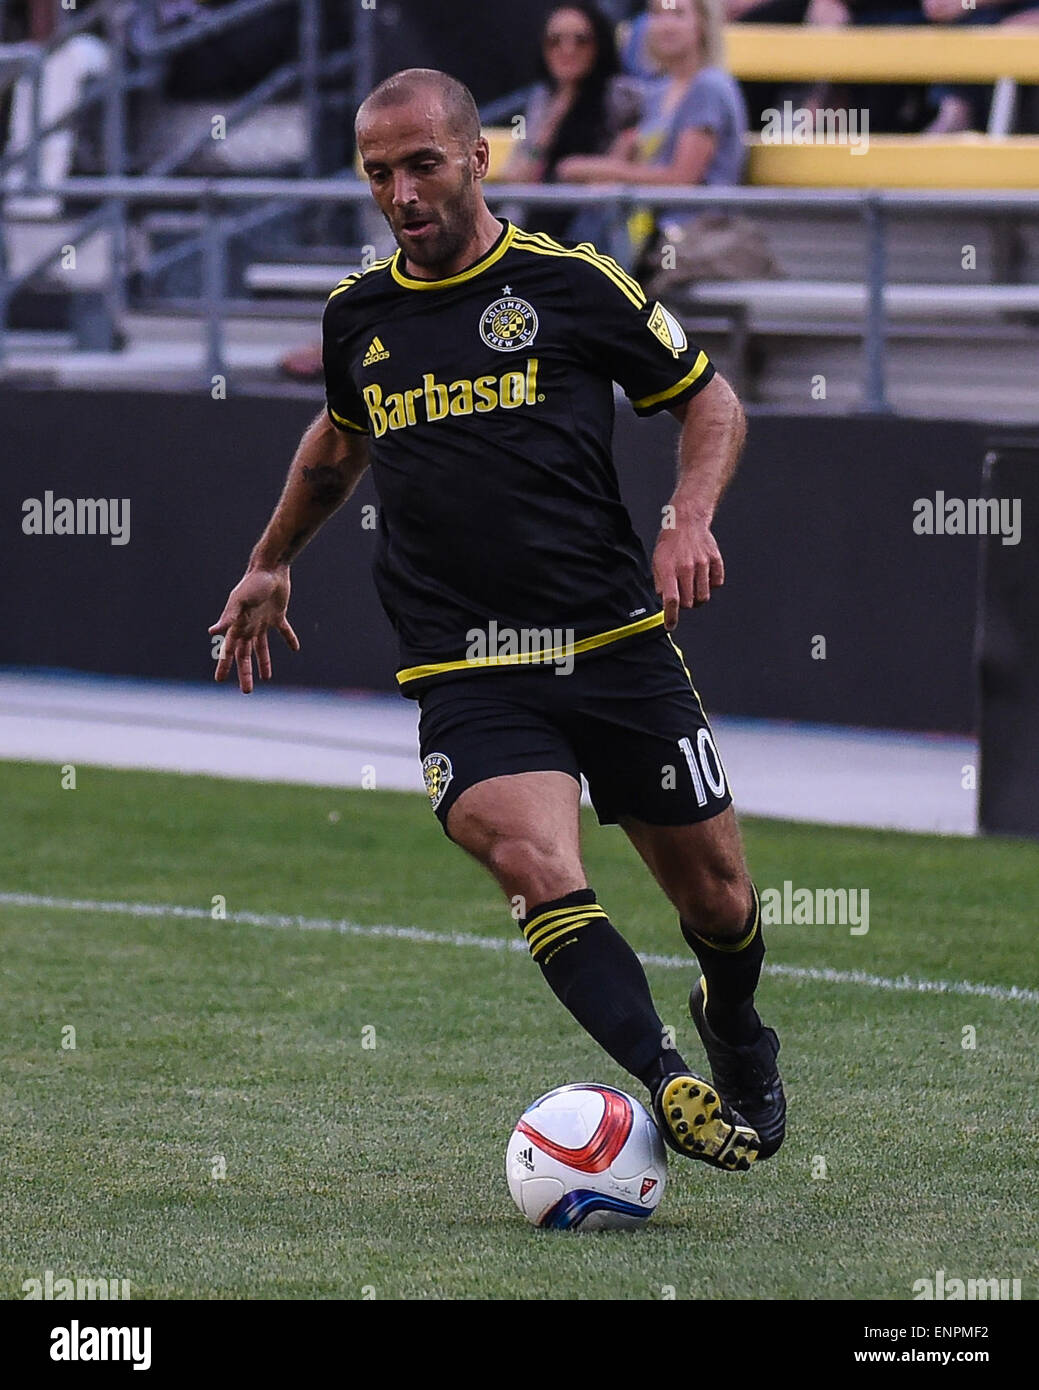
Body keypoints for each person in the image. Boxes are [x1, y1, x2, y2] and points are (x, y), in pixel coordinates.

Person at [210, 68, 785, 1173]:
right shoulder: (358, 314)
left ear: (481, 157)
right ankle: (664, 1077)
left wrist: (687, 516)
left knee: (718, 898)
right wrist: (269, 560)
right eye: (378, 173)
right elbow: (338, 446)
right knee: (535, 862)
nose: (401, 192)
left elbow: (709, 399)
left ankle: (735, 1026)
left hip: (613, 639)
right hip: (465, 663)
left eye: (422, 164)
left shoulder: (571, 286)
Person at [502, 3, 641, 241]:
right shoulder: (543, 98)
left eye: (581, 40)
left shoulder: (622, 96)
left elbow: (621, 167)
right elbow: (517, 177)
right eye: (555, 41)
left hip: (594, 222)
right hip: (537, 220)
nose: (567, 50)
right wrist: (554, 117)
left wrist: (581, 169)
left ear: (599, 45)